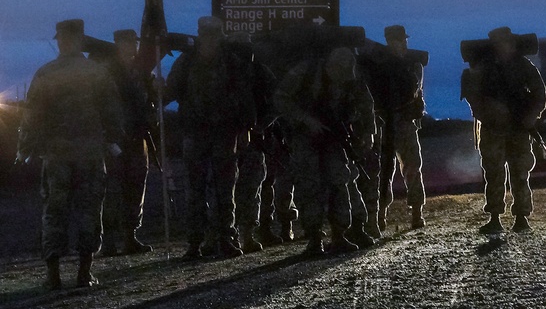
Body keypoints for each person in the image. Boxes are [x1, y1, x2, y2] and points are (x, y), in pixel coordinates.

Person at [17, 19, 123, 289]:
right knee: (89, 210)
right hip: (88, 152)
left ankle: (53, 276)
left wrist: (26, 148)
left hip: (57, 154)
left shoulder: (46, 73)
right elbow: (111, 110)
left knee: (55, 211)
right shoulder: (96, 72)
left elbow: (32, 115)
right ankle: (84, 273)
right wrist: (113, 140)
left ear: (64, 40)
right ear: (81, 40)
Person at [164, 16, 256, 260]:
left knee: (225, 191)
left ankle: (225, 239)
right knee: (195, 190)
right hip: (195, 133)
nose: (210, 39)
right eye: (207, 34)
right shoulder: (187, 62)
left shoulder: (232, 63)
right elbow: (170, 91)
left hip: (225, 134)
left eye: (214, 34)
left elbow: (245, 97)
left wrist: (246, 128)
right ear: (201, 35)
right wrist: (158, 95)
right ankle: (195, 242)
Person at [274, 46, 376, 256]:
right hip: (305, 136)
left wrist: (368, 133)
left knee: (340, 182)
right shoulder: (306, 72)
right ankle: (314, 239)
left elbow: (366, 105)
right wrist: (306, 120)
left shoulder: (351, 79)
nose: (341, 78)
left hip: (333, 137)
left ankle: (340, 235)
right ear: (331, 65)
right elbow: (281, 98)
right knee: (309, 185)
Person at [462, 27, 546, 234]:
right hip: (493, 128)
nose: (503, 46)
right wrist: (489, 114)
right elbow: (473, 96)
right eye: (499, 43)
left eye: (506, 42)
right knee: (493, 173)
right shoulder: (484, 67)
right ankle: (495, 217)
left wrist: (529, 117)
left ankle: (521, 217)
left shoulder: (524, 66)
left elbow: (539, 93)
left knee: (520, 173)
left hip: (518, 128)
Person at [102, 28, 155, 256]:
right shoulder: (108, 72)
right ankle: (109, 241)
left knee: (136, 187)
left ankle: (130, 236)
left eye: (133, 42)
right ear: (117, 44)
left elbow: (151, 99)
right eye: (126, 42)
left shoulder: (142, 72)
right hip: (115, 138)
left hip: (137, 137)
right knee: (112, 189)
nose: (131, 46)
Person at [376, 25, 427, 230]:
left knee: (413, 166)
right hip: (384, 122)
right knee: (382, 171)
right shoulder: (379, 64)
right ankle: (379, 215)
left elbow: (415, 90)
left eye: (404, 40)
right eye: (398, 40)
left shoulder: (412, 64)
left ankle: (417, 212)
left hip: (404, 121)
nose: (403, 43)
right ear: (389, 41)